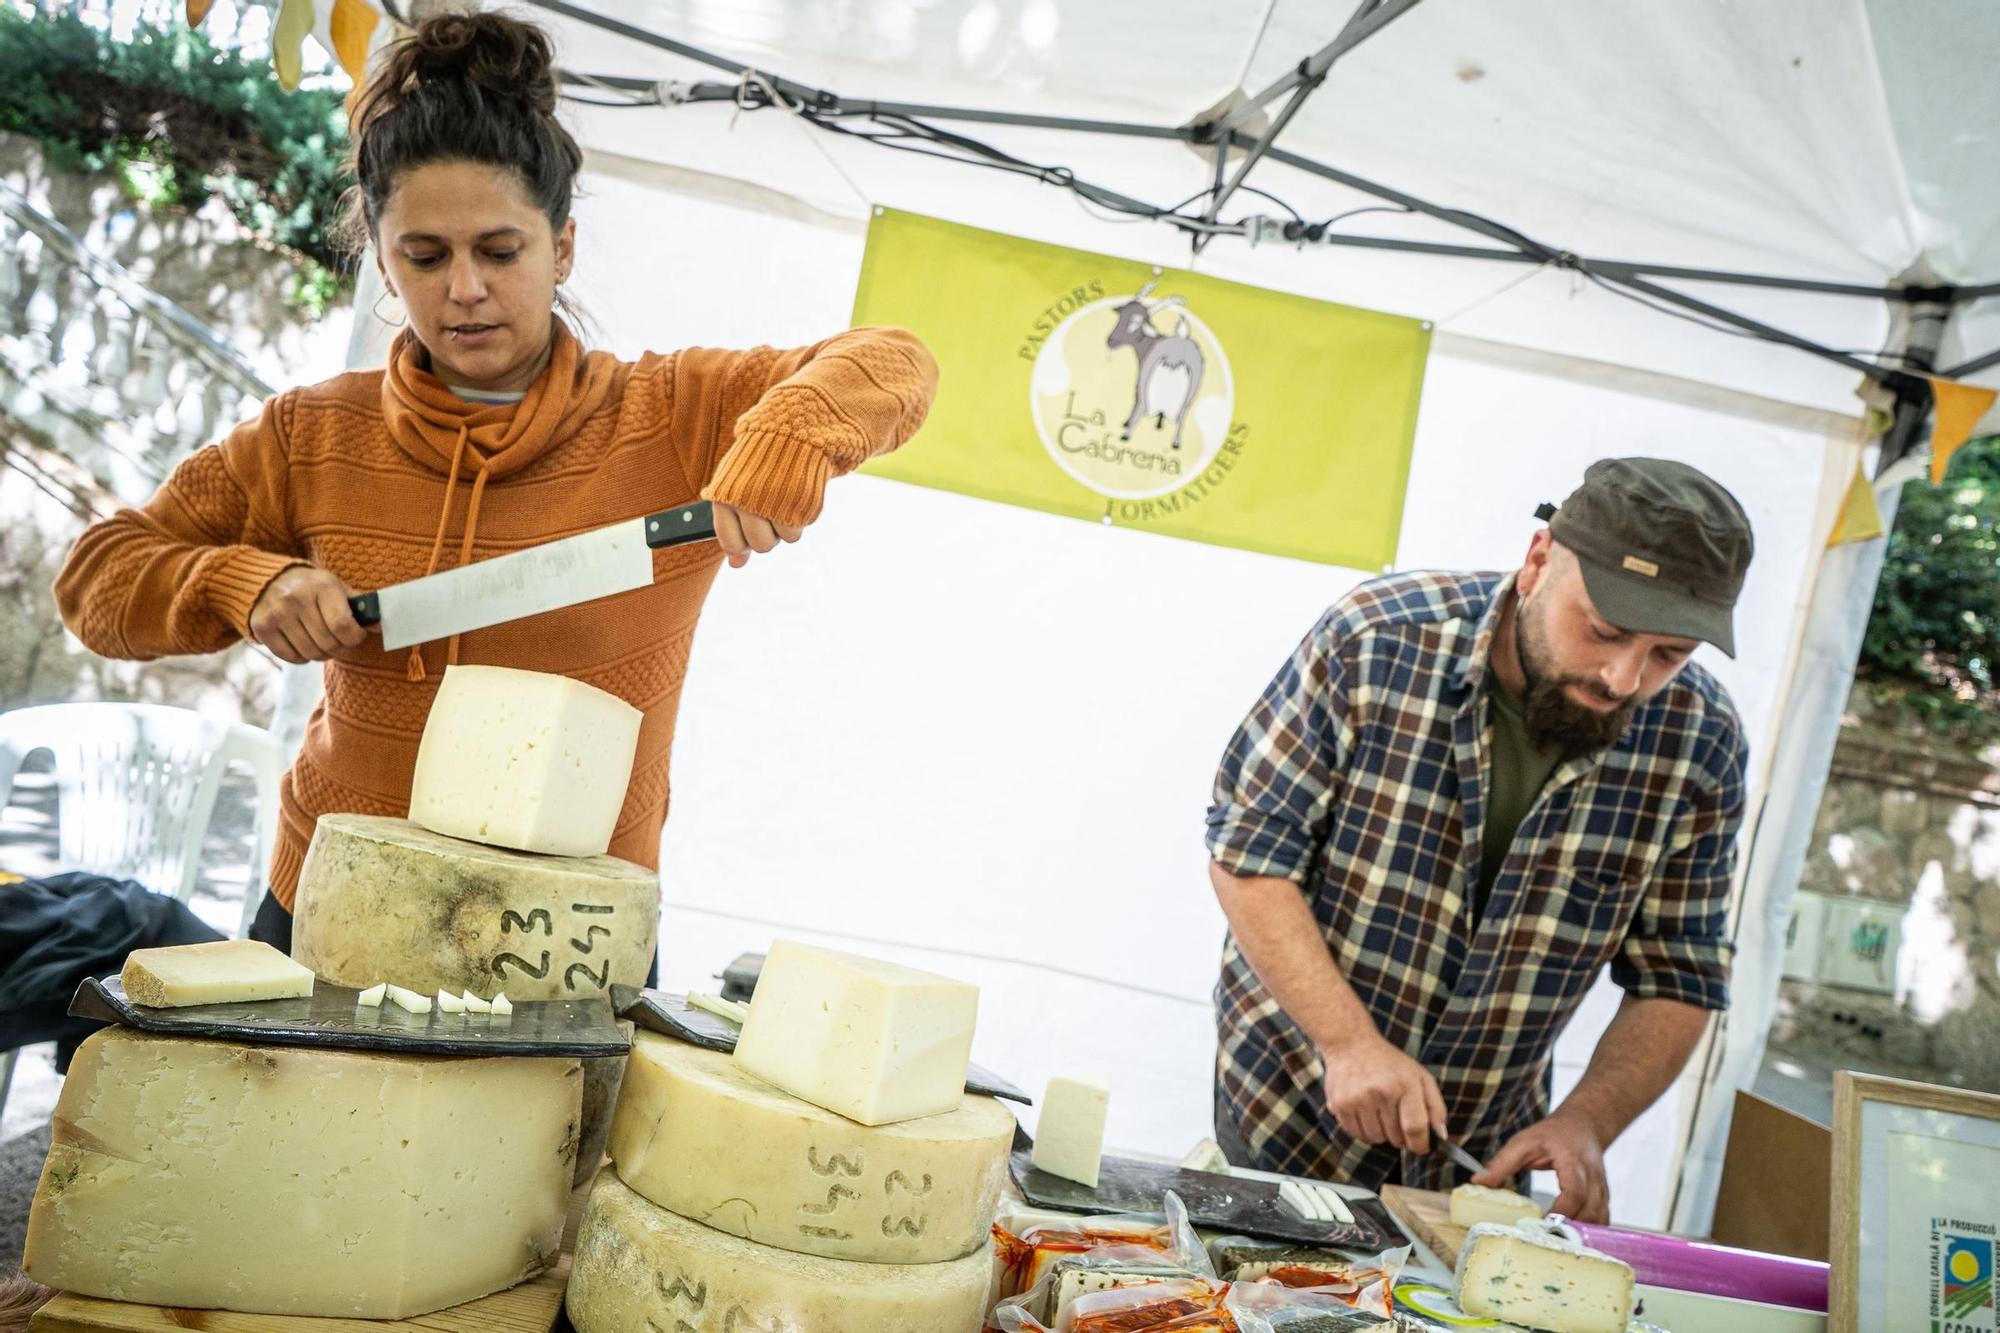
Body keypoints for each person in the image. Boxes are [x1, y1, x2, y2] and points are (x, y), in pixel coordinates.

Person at [53, 12, 938, 954]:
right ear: (382, 264)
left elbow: (894, 360)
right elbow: (97, 581)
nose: (463, 289)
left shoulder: (671, 413)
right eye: (424, 257)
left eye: (500, 251)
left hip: (572, 936)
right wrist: (249, 584)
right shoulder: (310, 433)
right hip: (327, 908)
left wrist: (788, 433)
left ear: (563, 247)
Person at [1206, 458, 1753, 1222]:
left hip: (1478, 1161)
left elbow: (1680, 974)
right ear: (1537, 562)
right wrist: (1349, 1042)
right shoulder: (1376, 638)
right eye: (1604, 630)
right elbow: (1249, 849)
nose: (1624, 677)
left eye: (1669, 655)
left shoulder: (1703, 740)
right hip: (1286, 1106)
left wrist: (1588, 1121)